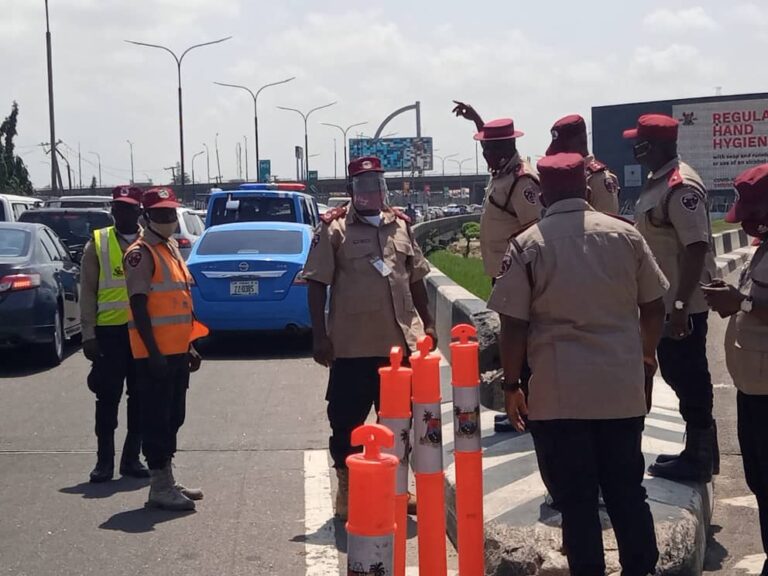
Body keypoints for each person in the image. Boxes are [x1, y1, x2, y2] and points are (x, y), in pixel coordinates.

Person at [489, 152, 668, 576]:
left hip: (558, 393)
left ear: (545, 192)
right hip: (620, 390)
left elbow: (512, 325)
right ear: (586, 190)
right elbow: (655, 306)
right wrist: (645, 358)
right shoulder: (625, 236)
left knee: (577, 499)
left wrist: (512, 385)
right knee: (627, 492)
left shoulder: (528, 243)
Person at [303, 156, 436, 519]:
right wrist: (320, 337)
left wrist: (428, 323)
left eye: (377, 184)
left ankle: (396, 488)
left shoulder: (401, 226)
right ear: (350, 191)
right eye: (363, 185)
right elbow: (316, 284)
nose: (372, 192)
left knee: (399, 423)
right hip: (353, 346)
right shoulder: (335, 229)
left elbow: (416, 279)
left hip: (399, 346)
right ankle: (347, 487)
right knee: (346, 422)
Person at [623, 114, 719, 482]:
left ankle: (701, 457)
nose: (635, 148)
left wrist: (679, 307)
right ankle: (698, 452)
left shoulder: (680, 187)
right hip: (666, 303)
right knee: (680, 374)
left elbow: (696, 248)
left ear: (653, 146)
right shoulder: (659, 183)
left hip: (683, 306)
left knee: (689, 376)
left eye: (639, 143)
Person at [701, 164, 768, 576]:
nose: (743, 220)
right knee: (760, 480)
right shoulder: (763, 245)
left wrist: (740, 304)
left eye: (750, 210)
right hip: (755, 387)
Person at [124, 187, 205, 511]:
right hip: (153, 355)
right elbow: (139, 306)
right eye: (160, 214)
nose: (169, 219)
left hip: (176, 351)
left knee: (174, 416)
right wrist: (154, 352)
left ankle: (167, 477)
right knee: (157, 418)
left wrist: (189, 345)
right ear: (146, 218)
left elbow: (180, 302)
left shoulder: (170, 247)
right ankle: (159, 486)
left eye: (171, 213)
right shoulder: (141, 253)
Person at [80, 185, 149, 483]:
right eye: (117, 207)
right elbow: (88, 291)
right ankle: (104, 462)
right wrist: (88, 334)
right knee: (107, 398)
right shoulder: (98, 243)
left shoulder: (152, 241)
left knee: (141, 398)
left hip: (144, 333)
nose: (121, 212)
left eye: (128, 207)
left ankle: (131, 459)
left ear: (139, 211)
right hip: (110, 333)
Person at [452, 100, 542, 278]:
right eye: (485, 149)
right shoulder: (502, 170)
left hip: (517, 273)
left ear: (505, 148)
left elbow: (536, 234)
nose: (485, 154)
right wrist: (476, 119)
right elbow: (488, 144)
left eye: (489, 150)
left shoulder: (521, 181)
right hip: (501, 271)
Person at [546, 114, 621, 213]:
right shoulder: (564, 176)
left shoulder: (598, 179)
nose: (559, 156)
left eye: (563, 149)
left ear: (579, 142)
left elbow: (607, 224)